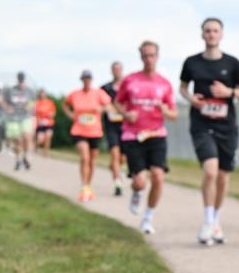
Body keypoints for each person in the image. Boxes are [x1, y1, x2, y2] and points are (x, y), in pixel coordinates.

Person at [180, 18, 239, 245]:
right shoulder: (192, 62)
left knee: (223, 177)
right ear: (202, 34)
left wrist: (229, 92)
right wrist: (190, 99)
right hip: (201, 125)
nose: (211, 34)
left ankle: (215, 219)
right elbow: (182, 88)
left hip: (227, 127)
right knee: (210, 171)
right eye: (208, 31)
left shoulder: (233, 64)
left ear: (221, 34)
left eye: (215, 31)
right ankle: (207, 220)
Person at [114, 41, 178, 234]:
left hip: (156, 134)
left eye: (152, 55)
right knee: (140, 181)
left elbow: (174, 114)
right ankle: (137, 191)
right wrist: (126, 114)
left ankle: (148, 218)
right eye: (145, 56)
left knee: (158, 176)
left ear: (157, 57)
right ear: (141, 57)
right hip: (133, 136)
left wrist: (165, 110)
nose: (149, 59)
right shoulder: (130, 80)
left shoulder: (164, 83)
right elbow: (117, 103)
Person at [62, 70, 113, 202]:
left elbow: (109, 106)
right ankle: (84, 186)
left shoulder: (98, 93)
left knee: (91, 160)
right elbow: (65, 105)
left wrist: (101, 109)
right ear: (81, 80)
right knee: (85, 157)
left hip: (95, 131)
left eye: (89, 78)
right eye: (85, 78)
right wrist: (71, 115)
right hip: (79, 130)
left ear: (91, 80)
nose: (87, 81)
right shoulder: (75, 94)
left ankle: (88, 186)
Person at [100, 61, 127, 197]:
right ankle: (118, 184)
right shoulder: (105, 88)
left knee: (123, 157)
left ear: (122, 70)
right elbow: (99, 104)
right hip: (111, 126)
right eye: (114, 69)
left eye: (119, 69)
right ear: (111, 71)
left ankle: (115, 166)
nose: (117, 71)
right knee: (115, 153)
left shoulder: (127, 86)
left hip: (125, 125)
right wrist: (106, 108)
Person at [4, 72, 36, 170]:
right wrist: (7, 107)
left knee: (27, 137)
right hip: (14, 118)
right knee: (17, 141)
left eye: (22, 80)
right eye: (19, 80)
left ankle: (25, 158)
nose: (21, 81)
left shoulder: (29, 91)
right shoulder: (11, 90)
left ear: (24, 80)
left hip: (26, 117)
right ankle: (18, 160)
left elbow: (33, 101)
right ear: (17, 80)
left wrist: (29, 106)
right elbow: (3, 101)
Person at [34, 89, 57, 157]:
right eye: (41, 94)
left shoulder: (50, 102)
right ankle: (35, 148)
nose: (42, 95)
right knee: (40, 140)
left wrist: (51, 114)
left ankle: (46, 153)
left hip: (49, 123)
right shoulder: (37, 103)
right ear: (39, 95)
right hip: (40, 124)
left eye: (43, 94)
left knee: (48, 137)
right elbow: (34, 112)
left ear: (45, 94)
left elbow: (54, 112)